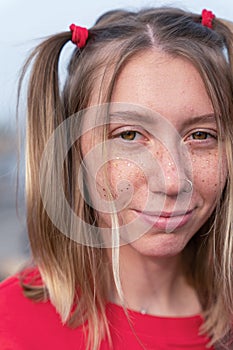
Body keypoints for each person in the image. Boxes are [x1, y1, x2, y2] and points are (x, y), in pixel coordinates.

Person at [0, 6, 233, 350]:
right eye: (129, 136)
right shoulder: (10, 328)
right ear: (73, 149)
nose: (171, 181)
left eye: (200, 135)